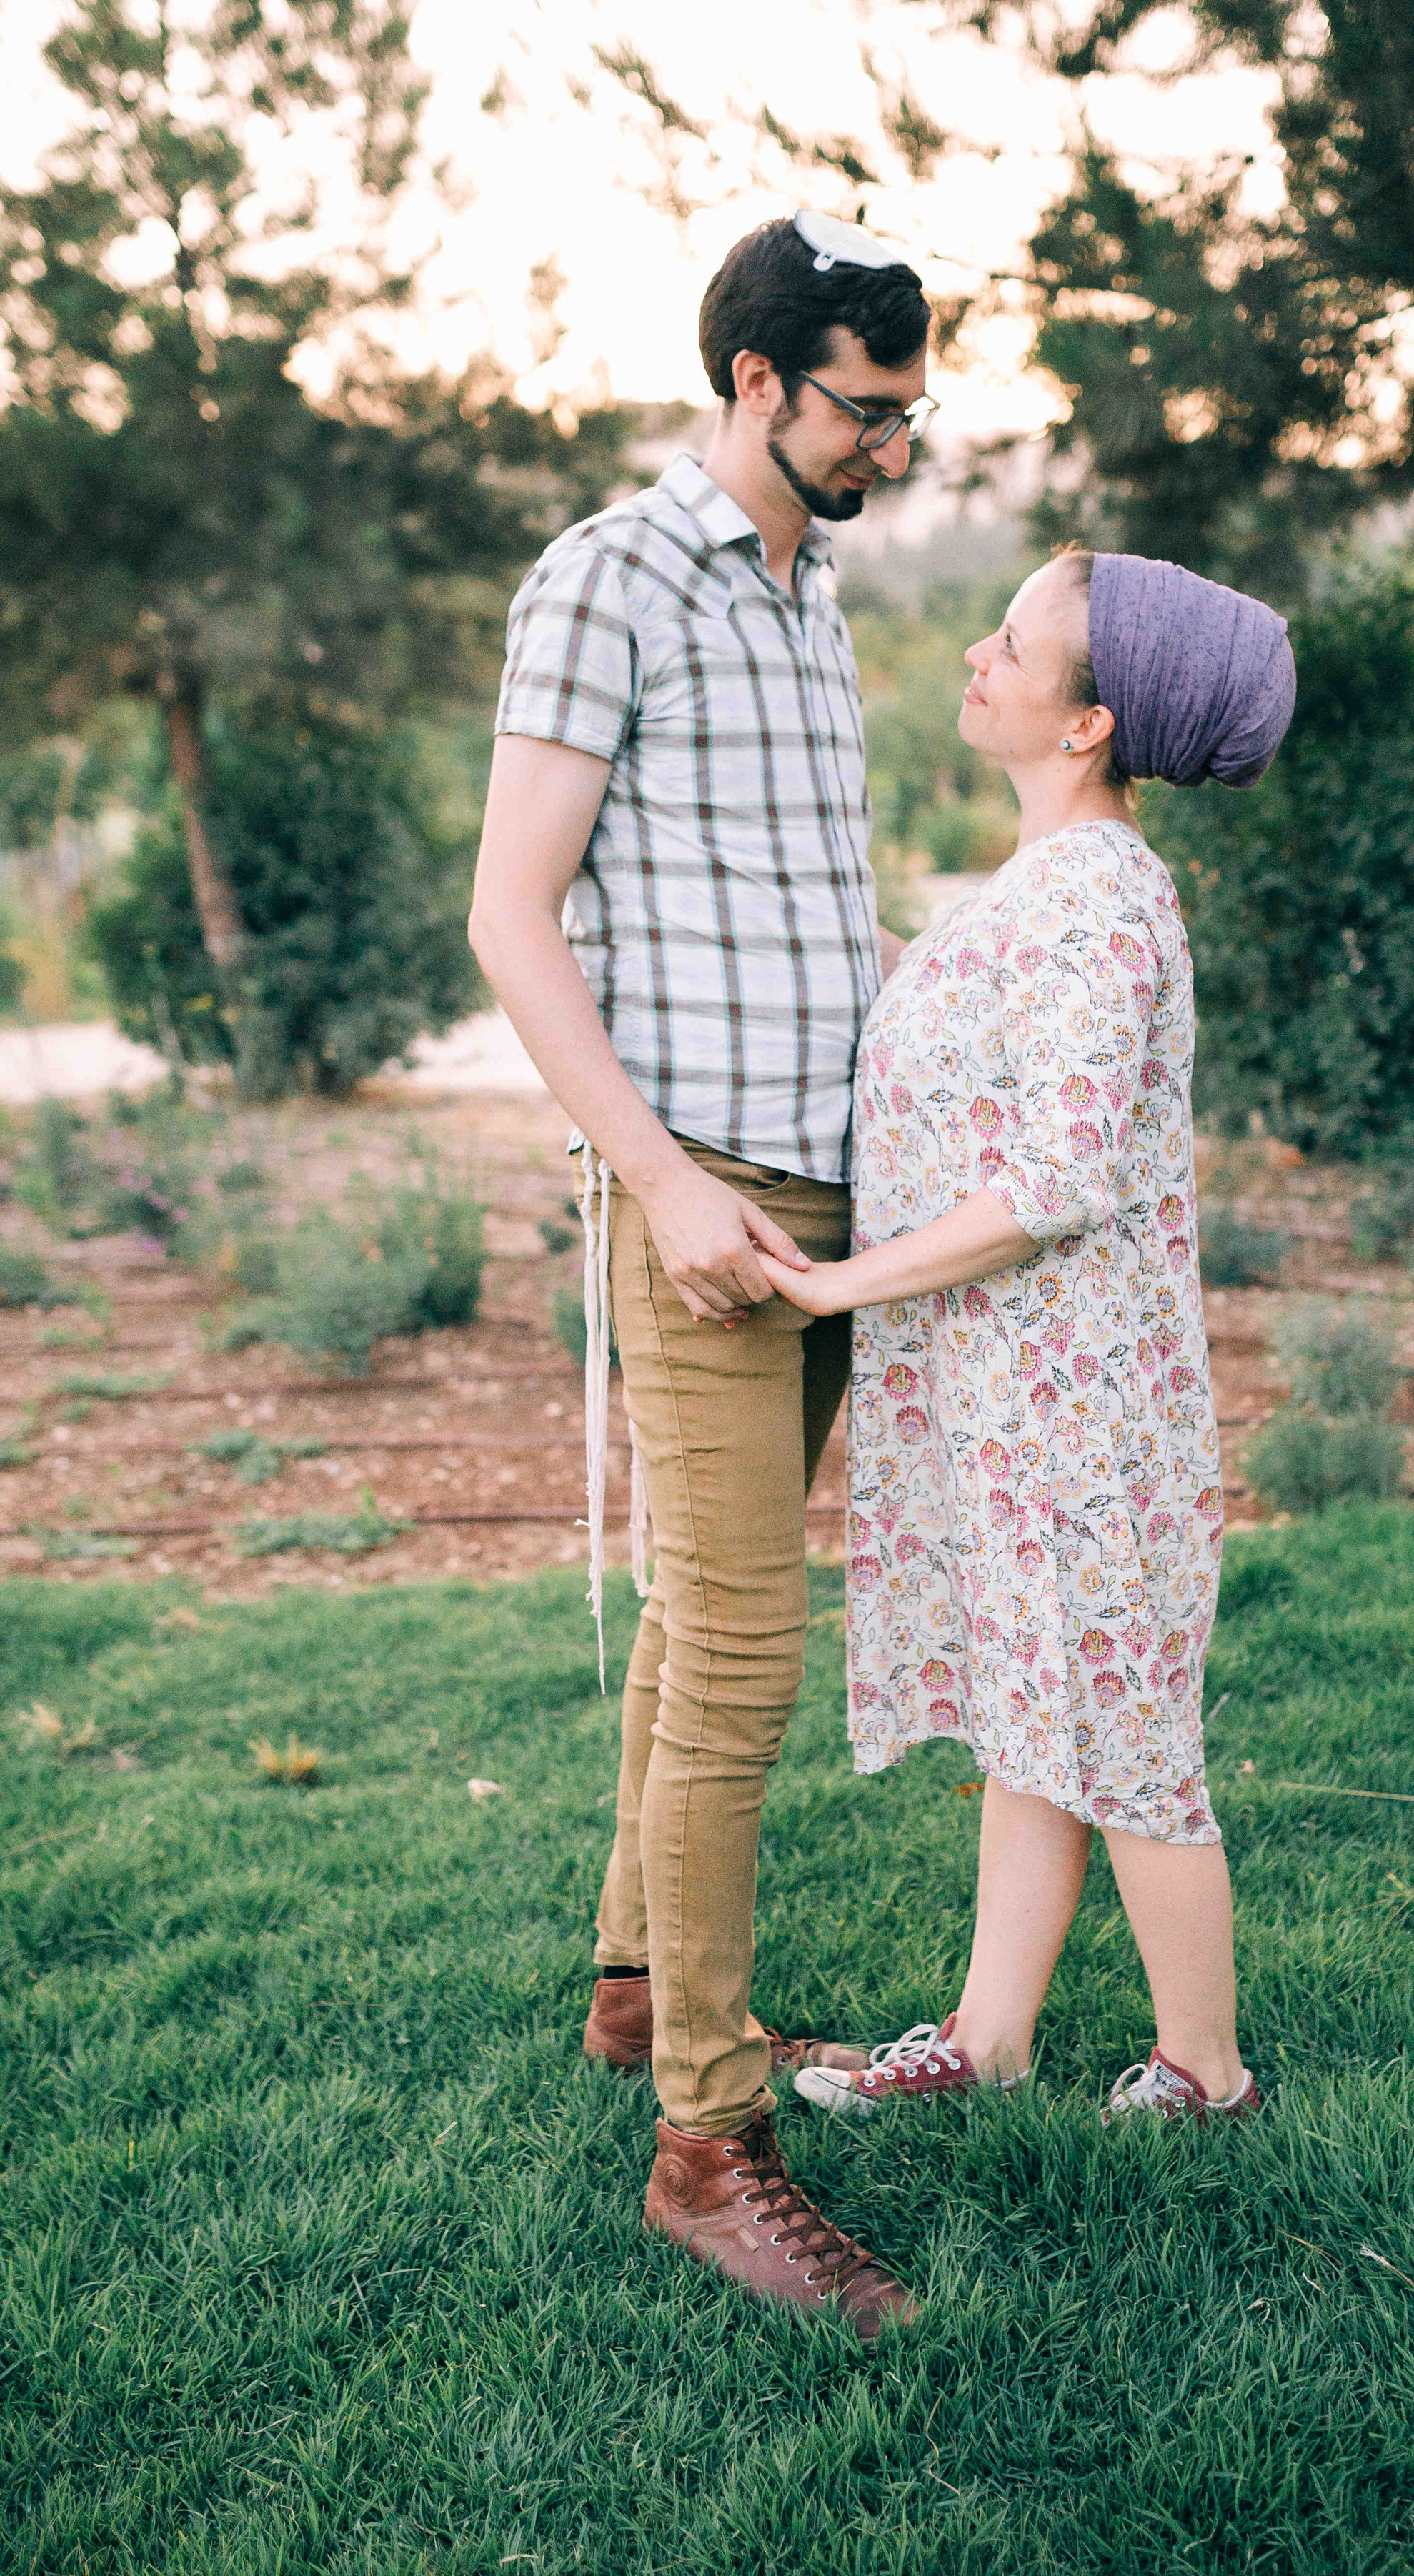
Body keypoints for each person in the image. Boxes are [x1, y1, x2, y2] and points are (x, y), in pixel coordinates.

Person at [469, 211, 937, 2339]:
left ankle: (636, 1989)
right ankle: (707, 2144)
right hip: (709, 1199)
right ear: (755, 379)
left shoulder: (808, 588)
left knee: (698, 1616)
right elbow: (511, 915)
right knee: (746, 1656)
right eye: (863, 409)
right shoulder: (608, 578)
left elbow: (805, 905)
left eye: (910, 414)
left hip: (838, 1197)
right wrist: (656, 1182)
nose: (890, 447)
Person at [752, 546, 1295, 2128]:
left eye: (1012, 644)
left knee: (1125, 1736)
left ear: (1085, 725)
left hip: (1080, 1409)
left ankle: (1206, 2068)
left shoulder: (1100, 899)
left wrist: (838, 1287)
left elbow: (1055, 1181)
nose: (977, 657)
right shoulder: (1043, 885)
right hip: (1011, 1396)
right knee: (1031, 1715)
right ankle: (988, 2038)